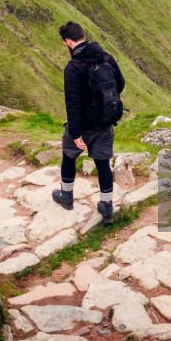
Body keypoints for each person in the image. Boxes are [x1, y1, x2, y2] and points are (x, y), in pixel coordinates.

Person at [51, 21, 125, 225]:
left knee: (68, 155)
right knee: (103, 163)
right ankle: (107, 207)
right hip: (105, 122)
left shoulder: (73, 68)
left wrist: (75, 134)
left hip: (83, 125)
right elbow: (120, 84)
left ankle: (66, 197)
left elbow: (72, 103)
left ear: (67, 42)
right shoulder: (106, 57)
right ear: (83, 36)